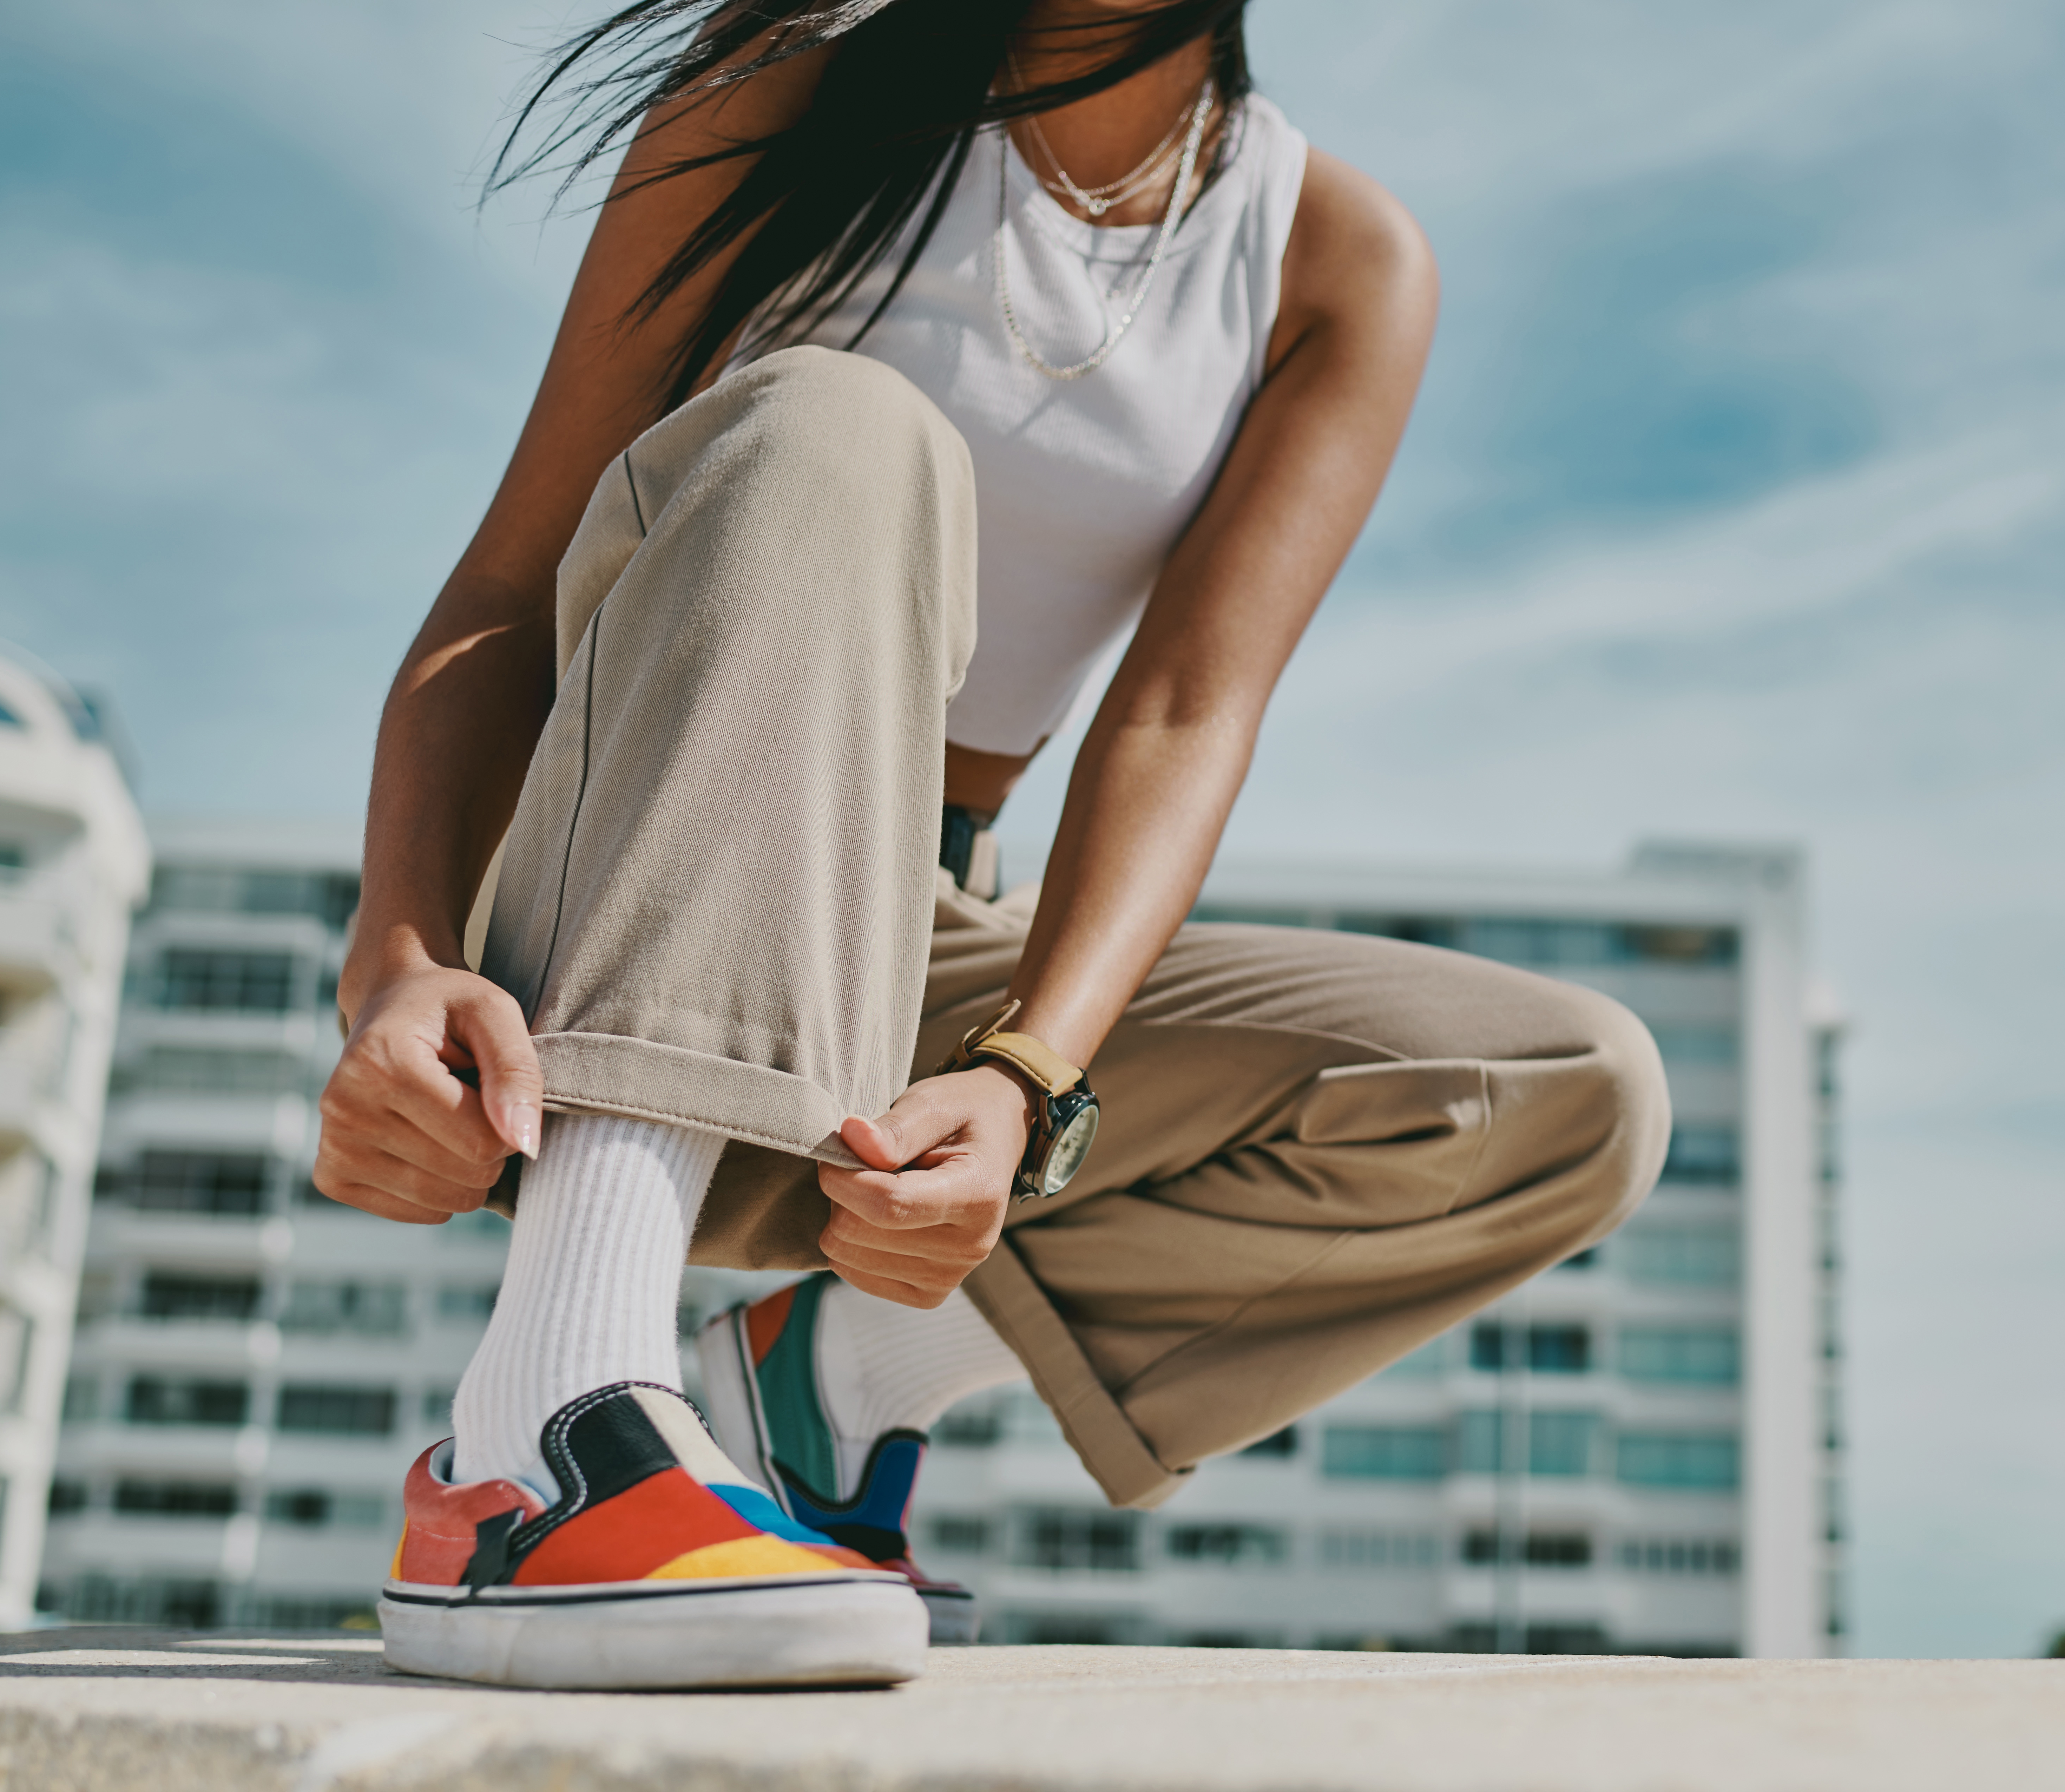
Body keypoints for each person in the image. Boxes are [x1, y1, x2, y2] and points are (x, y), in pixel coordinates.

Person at [320, 0, 1668, 1690]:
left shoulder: (1333, 262)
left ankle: (823, 1390)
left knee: (1556, 1089)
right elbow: (508, 590)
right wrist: (396, 960)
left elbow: (1183, 713)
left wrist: (1031, 1074)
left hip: (915, 950)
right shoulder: (790, 72)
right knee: (847, 427)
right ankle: (540, 1434)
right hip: (616, 917)